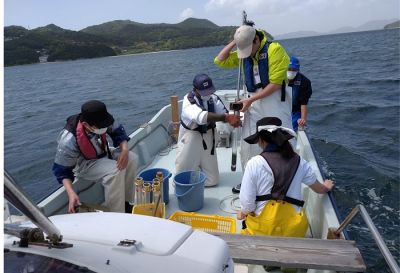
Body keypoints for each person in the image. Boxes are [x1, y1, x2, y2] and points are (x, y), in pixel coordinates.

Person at [214, 24, 292, 193]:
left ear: (256, 40)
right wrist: (236, 42)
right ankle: (250, 181)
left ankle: (282, 183)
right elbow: (219, 60)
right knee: (249, 141)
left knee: (279, 140)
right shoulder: (245, 54)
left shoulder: (274, 50)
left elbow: (276, 84)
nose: (246, 53)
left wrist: (250, 101)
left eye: (248, 48)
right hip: (253, 101)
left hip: (274, 101)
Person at [237, 117, 334, 237]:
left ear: (261, 140)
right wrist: (326, 187)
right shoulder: (300, 162)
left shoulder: (254, 163)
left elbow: (247, 204)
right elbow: (319, 189)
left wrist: (242, 212)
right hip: (294, 231)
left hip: (263, 231)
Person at [52, 100, 137, 213]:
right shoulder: (68, 140)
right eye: (101, 127)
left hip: (102, 152)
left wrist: (125, 150)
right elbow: (62, 171)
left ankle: (127, 203)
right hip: (84, 164)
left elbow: (118, 133)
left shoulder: (103, 118)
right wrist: (71, 193)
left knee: (131, 158)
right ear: (86, 125)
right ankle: (117, 213)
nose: (105, 128)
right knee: (116, 170)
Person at [175, 74, 241, 187]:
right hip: (191, 138)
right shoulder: (189, 100)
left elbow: (224, 113)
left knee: (212, 180)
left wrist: (234, 117)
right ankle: (190, 175)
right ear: (196, 89)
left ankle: (198, 175)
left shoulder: (213, 98)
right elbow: (201, 117)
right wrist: (226, 118)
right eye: (204, 91)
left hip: (209, 137)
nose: (208, 94)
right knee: (182, 178)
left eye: (209, 90)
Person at [287, 56, 313, 132]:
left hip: (295, 112)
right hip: (281, 108)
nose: (291, 71)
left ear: (298, 70)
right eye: (289, 69)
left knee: (291, 129)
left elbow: (304, 103)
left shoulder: (305, 82)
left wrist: (303, 119)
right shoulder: (278, 78)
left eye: (294, 69)